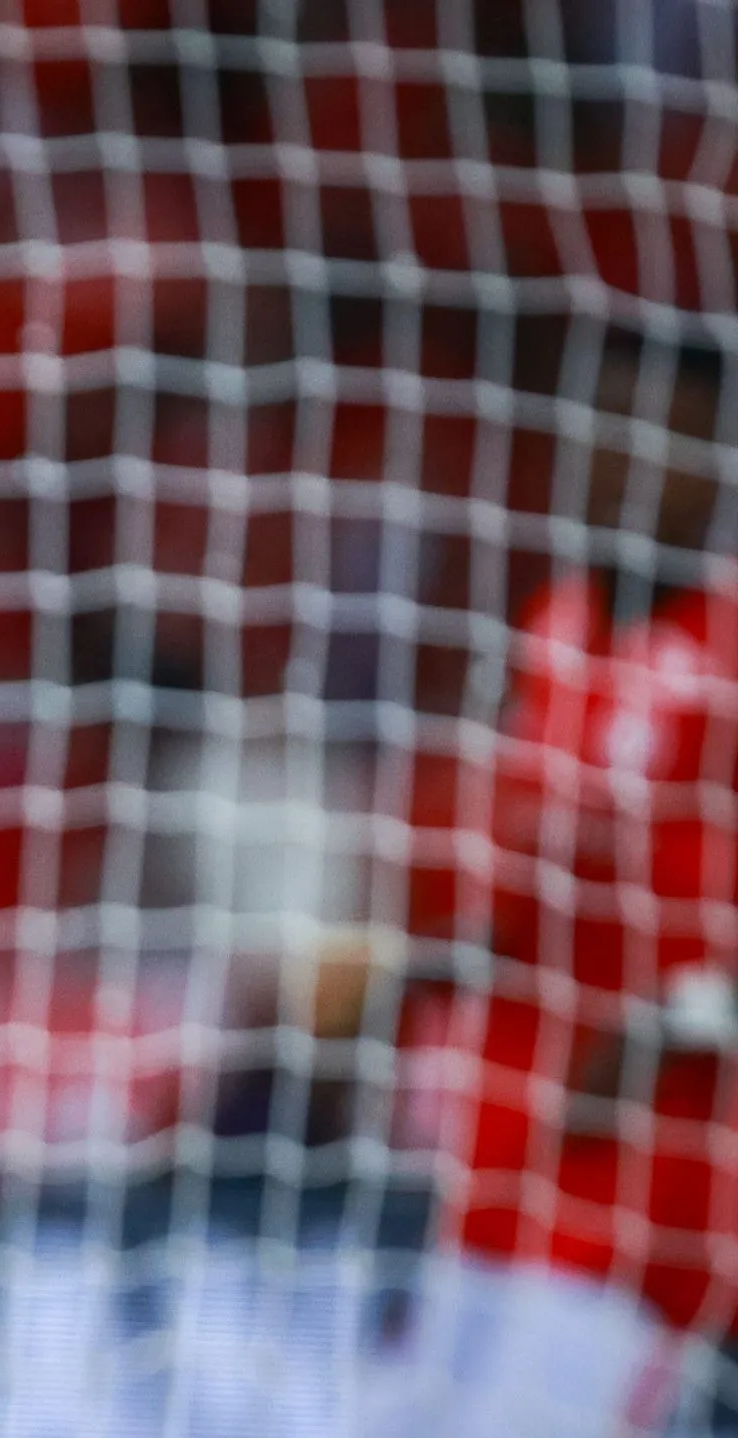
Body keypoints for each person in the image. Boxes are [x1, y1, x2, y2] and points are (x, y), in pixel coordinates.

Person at [393, 331, 737, 1429]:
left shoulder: (725, 656)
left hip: (644, 1185)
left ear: (712, 463)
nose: (625, 461)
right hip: (494, 1162)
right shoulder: (553, 631)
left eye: (663, 436)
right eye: (608, 428)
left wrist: (665, 1022)